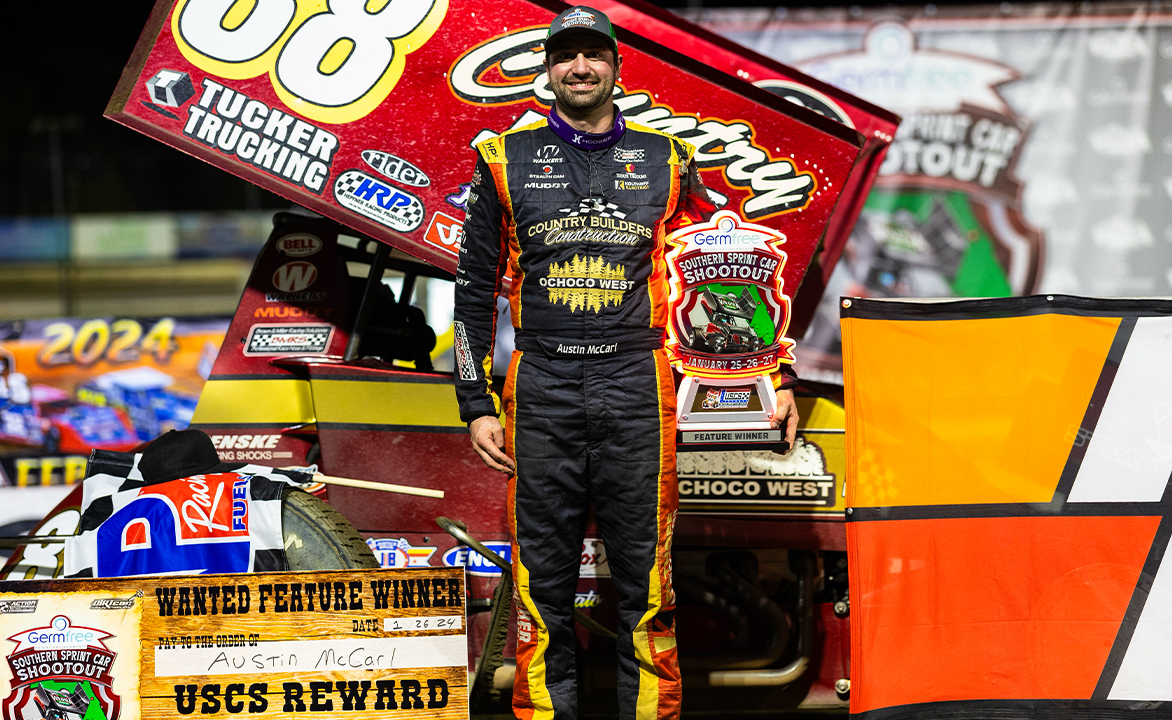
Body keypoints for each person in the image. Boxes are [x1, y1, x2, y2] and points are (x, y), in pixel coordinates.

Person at [452, 7, 800, 718]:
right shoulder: (501, 159)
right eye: (566, 56)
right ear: (547, 69)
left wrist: (775, 377)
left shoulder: (668, 157)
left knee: (647, 589)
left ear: (616, 66)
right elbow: (473, 289)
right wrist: (474, 401)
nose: (580, 68)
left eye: (594, 56)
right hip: (541, 385)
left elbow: (722, 277)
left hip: (637, 385)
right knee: (539, 589)